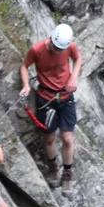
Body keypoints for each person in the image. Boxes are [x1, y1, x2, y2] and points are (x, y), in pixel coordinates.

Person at [20, 22, 82, 189]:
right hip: (46, 98)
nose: (57, 51)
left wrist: (73, 77)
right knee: (49, 137)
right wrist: (26, 85)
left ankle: (67, 173)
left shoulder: (69, 46)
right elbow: (24, 66)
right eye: (55, 47)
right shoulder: (37, 49)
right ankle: (53, 168)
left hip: (66, 96)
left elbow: (77, 59)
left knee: (67, 138)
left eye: (60, 49)